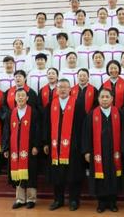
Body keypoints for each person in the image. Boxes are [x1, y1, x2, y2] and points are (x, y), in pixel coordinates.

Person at [43, 79, 85, 211]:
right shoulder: (51, 104)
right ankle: (58, 200)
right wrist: (45, 142)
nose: (62, 90)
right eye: (60, 87)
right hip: (55, 146)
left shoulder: (77, 103)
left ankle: (73, 200)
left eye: (65, 87)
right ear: (56, 89)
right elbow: (46, 125)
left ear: (70, 89)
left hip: (73, 146)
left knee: (73, 174)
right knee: (57, 175)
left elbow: (82, 126)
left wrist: (79, 144)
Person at [82, 88, 123, 213]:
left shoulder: (119, 113)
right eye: (102, 97)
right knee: (99, 177)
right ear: (98, 99)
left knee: (113, 176)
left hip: (114, 152)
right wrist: (87, 151)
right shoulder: (91, 114)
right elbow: (86, 134)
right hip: (97, 153)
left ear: (112, 99)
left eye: (107, 97)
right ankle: (101, 203)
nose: (105, 99)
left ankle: (112, 202)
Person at [2, 87, 40, 209]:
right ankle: (20, 199)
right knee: (18, 173)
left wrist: (36, 146)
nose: (20, 98)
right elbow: (6, 132)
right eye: (18, 96)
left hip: (29, 149)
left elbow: (38, 130)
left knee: (30, 173)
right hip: (14, 149)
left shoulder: (33, 112)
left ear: (27, 98)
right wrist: (6, 148)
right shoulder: (11, 113)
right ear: (15, 98)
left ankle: (31, 199)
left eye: (23, 96)